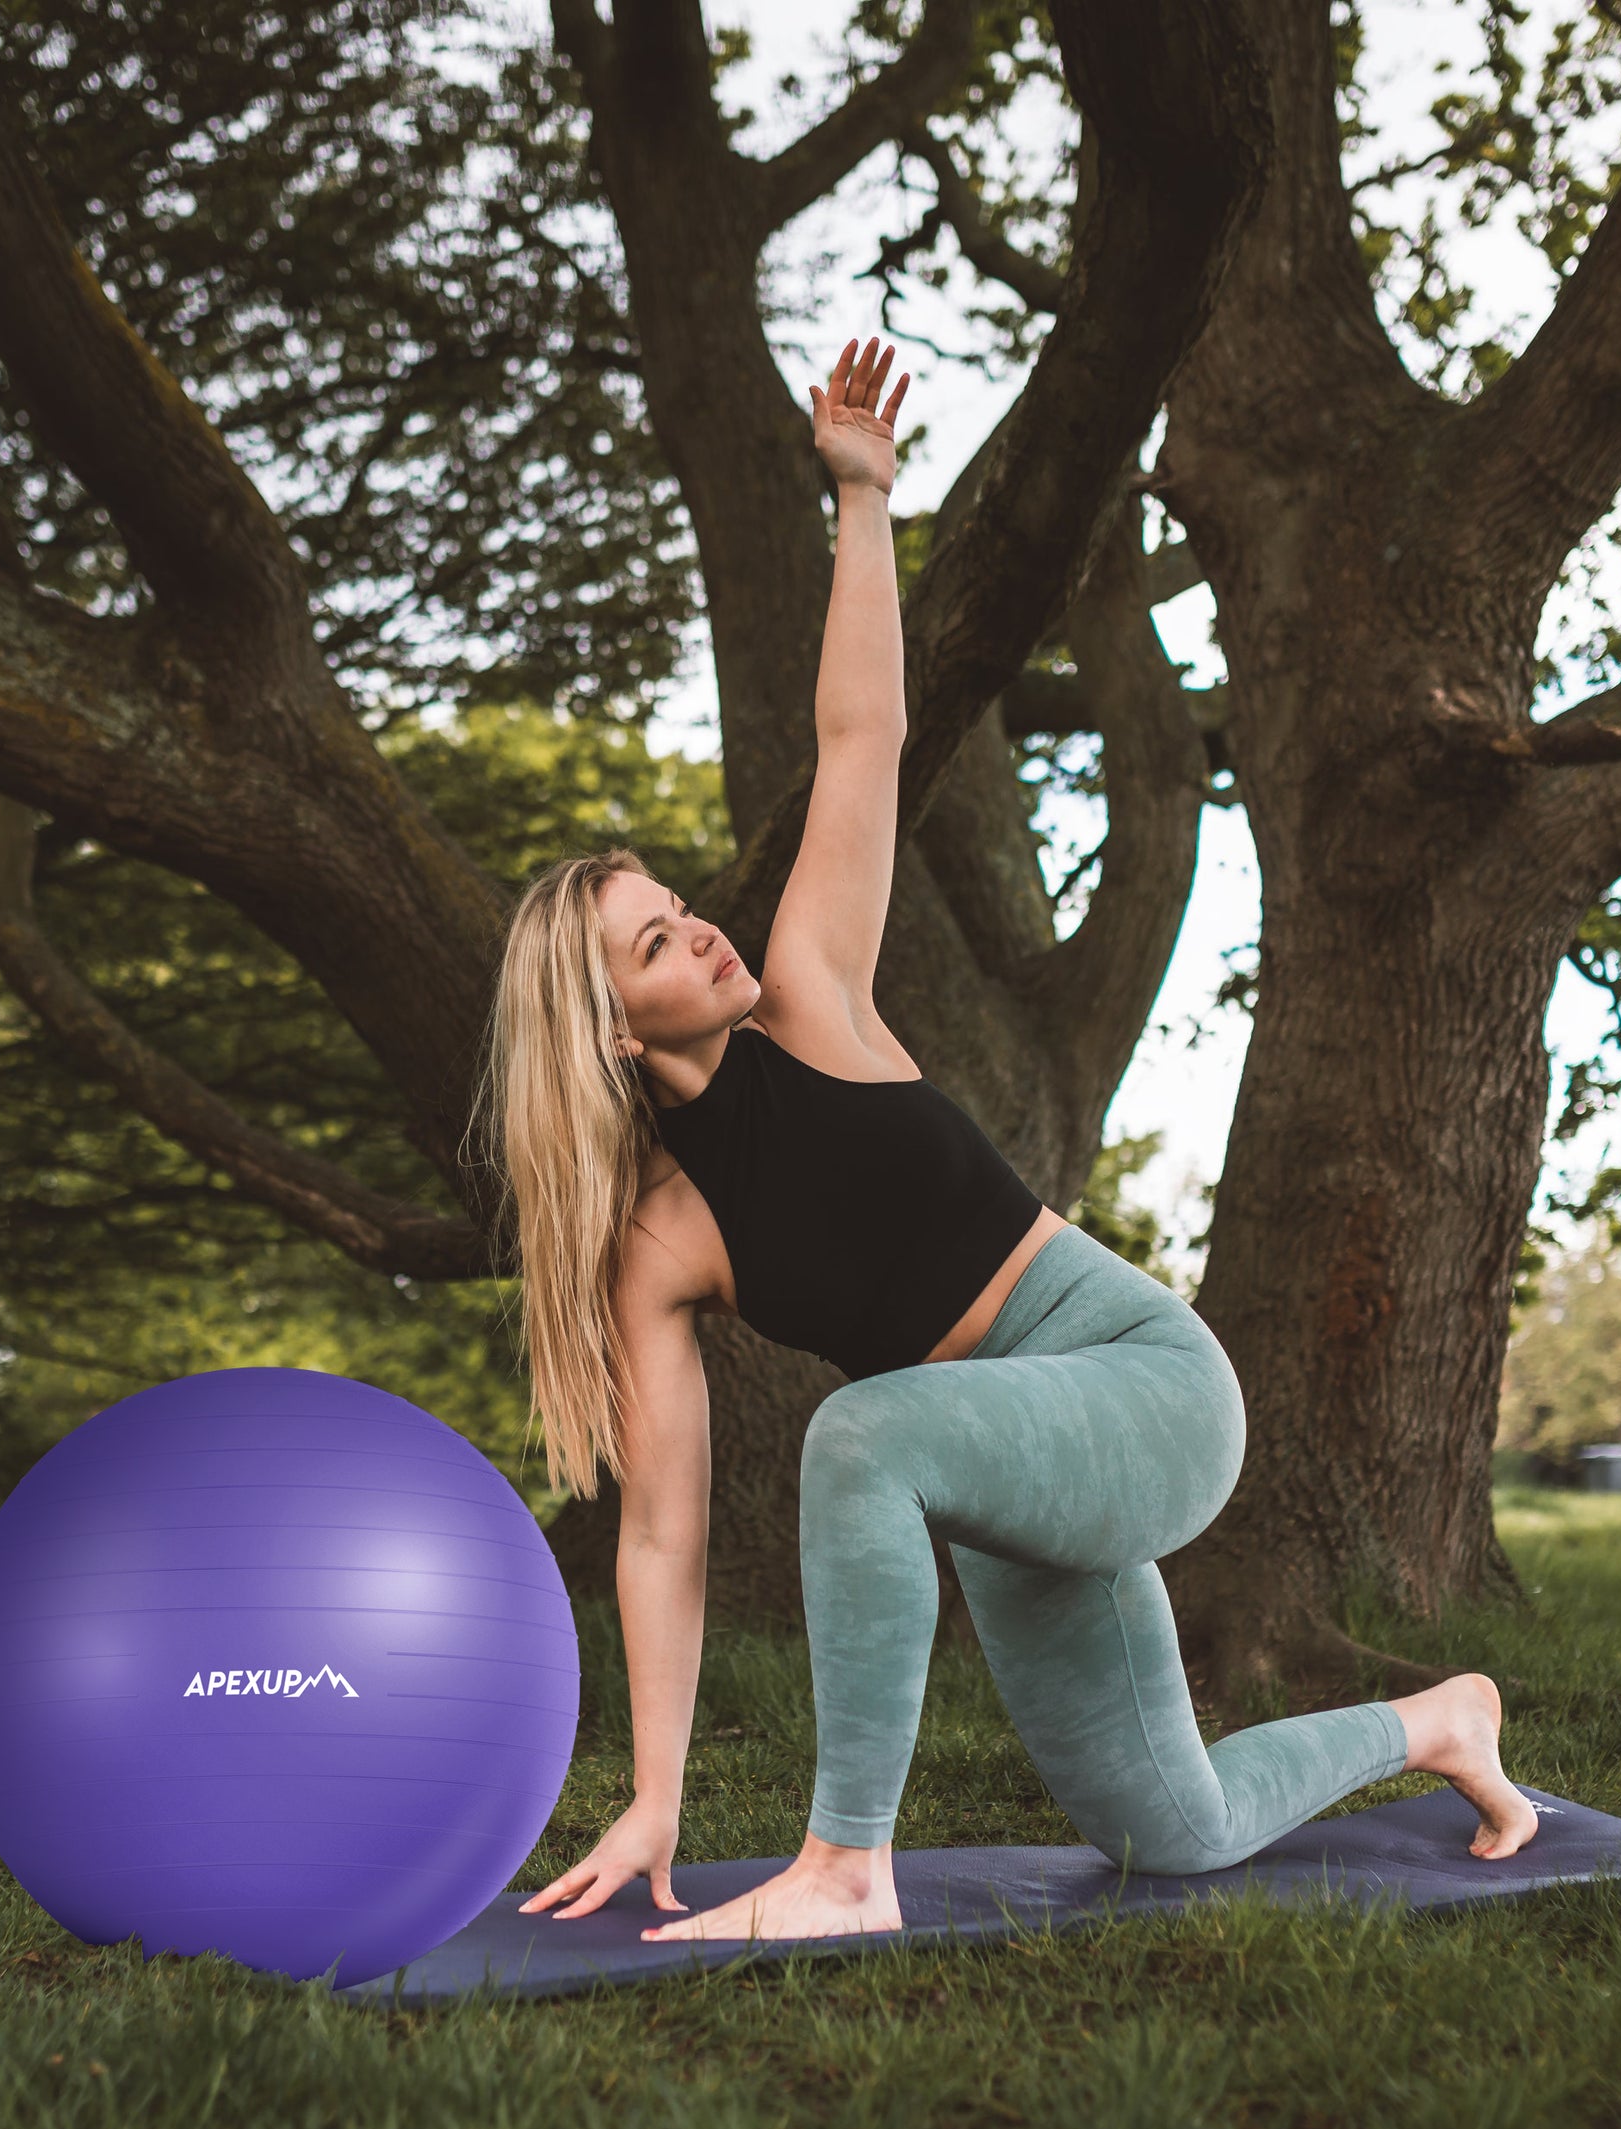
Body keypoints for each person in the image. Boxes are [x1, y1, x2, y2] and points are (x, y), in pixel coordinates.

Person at [483, 337, 1535, 1942]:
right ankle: (1441, 1722)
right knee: (1170, 1829)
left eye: (680, 908)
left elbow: (861, 741)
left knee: (860, 1435)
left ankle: (846, 1870)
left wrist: (861, 497)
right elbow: (663, 1536)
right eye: (656, 945)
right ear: (613, 1036)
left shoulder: (812, 999)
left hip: (1136, 1387)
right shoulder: (660, 1245)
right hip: (1002, 1458)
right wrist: (655, 1800)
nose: (700, 931)